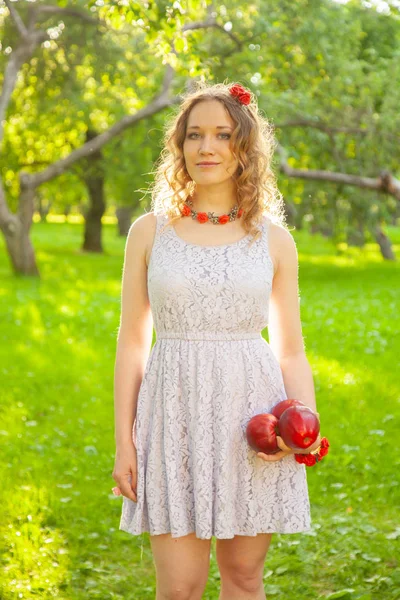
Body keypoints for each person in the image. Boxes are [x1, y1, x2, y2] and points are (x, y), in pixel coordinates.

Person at [112, 81, 322, 600]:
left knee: (245, 579)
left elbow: (290, 347)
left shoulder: (273, 239)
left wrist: (305, 428)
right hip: (172, 414)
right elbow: (132, 341)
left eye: (223, 135)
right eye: (194, 135)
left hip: (250, 413)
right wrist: (125, 440)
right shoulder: (149, 232)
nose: (207, 147)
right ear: (179, 146)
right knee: (179, 588)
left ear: (244, 146)